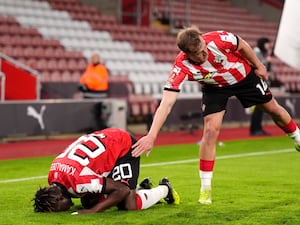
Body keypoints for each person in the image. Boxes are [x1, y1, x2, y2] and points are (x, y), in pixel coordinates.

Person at [132, 26, 300, 205]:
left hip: (244, 77)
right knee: (211, 131)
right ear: (187, 54)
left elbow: (242, 45)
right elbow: (166, 103)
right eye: (198, 53)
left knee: (274, 110)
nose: (204, 53)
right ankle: (205, 189)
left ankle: (297, 137)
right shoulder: (181, 67)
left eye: (204, 47)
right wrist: (152, 135)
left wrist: (259, 66)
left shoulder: (219, 39)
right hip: (214, 87)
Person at [33, 128, 179, 214]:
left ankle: (165, 189)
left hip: (123, 147)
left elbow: (121, 190)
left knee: (128, 204)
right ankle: (141, 188)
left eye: (57, 208)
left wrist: (93, 212)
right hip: (105, 143)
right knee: (89, 200)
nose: (61, 211)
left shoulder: (79, 182)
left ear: (59, 198)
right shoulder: (53, 175)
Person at [249, 37, 273, 136]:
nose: (269, 46)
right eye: (267, 43)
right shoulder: (257, 52)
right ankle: (256, 129)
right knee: (259, 107)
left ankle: (256, 128)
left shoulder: (262, 52)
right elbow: (257, 65)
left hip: (260, 83)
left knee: (260, 108)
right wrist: (267, 61)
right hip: (256, 83)